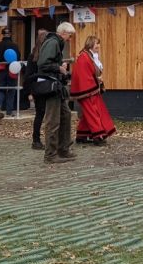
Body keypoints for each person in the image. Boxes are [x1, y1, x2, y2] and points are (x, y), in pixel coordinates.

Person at [36, 22, 76, 164]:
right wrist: (59, 68)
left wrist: (62, 70)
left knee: (66, 115)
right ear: (63, 33)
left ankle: (63, 149)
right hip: (51, 85)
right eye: (70, 36)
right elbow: (43, 64)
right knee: (53, 120)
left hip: (57, 85)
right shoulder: (52, 43)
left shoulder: (56, 43)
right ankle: (50, 155)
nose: (70, 39)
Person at [71, 35, 116, 145]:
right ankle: (98, 136)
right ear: (90, 44)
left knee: (88, 113)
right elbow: (83, 76)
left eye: (99, 44)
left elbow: (92, 72)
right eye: (97, 44)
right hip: (87, 91)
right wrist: (96, 82)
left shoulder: (90, 56)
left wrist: (97, 80)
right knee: (93, 113)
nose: (98, 46)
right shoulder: (84, 57)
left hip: (90, 89)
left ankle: (82, 135)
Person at [23, 29, 50, 149]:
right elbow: (28, 75)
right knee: (40, 113)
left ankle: (40, 139)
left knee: (42, 114)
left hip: (45, 87)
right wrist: (29, 92)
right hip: (39, 88)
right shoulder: (34, 56)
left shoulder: (44, 55)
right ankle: (36, 139)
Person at [0, 28, 19, 119]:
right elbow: (18, 58)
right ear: (10, 34)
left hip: (1, 70)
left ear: (2, 34)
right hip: (12, 70)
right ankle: (9, 111)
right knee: (11, 90)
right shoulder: (14, 46)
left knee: (1, 89)